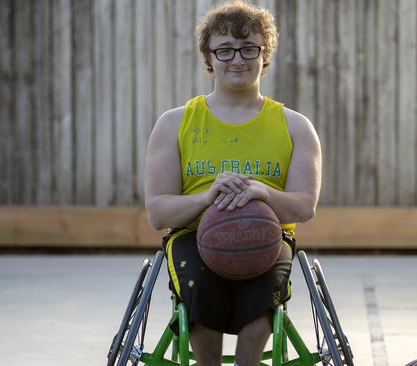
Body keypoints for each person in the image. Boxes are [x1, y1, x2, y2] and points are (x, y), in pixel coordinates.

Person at [144, 1, 322, 365]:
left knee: (261, 292)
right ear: (209, 58)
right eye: (224, 50)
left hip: (268, 236)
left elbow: (305, 207)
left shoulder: (295, 126)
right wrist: (207, 199)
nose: (237, 59)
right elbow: (157, 212)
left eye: (248, 48)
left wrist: (263, 193)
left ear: (264, 55)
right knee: (202, 286)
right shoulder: (175, 123)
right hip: (193, 236)